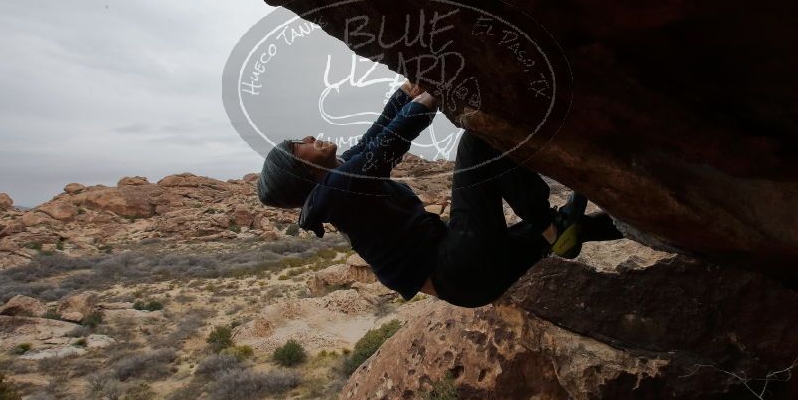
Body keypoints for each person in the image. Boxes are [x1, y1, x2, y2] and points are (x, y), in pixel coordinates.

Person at [256, 80, 622, 308]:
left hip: (468, 276)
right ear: (300, 169)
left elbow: (374, 137)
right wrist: (432, 95)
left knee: (581, 229)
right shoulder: (335, 192)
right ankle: (548, 225)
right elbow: (384, 149)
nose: (306, 138)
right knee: (477, 139)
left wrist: (407, 92)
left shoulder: (339, 181)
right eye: (296, 146)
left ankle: (633, 230)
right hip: (455, 267)